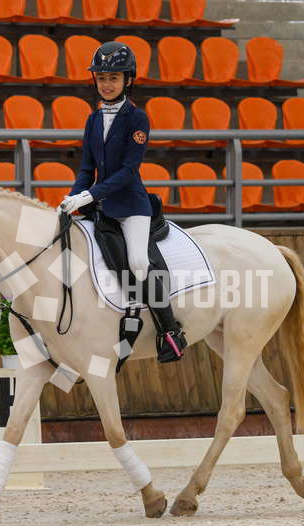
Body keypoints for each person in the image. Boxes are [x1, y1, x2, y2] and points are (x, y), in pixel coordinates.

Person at [58, 41, 187, 363]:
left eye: (113, 78)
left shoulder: (137, 119)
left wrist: (91, 194)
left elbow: (129, 171)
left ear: (128, 80)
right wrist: (74, 197)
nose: (107, 84)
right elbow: (86, 169)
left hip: (131, 206)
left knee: (140, 262)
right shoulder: (93, 120)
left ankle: (170, 331)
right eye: (102, 78)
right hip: (101, 208)